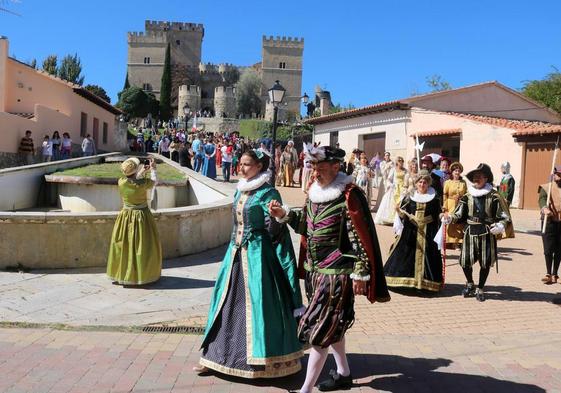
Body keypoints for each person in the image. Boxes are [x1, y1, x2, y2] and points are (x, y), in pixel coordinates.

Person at [269, 145, 390, 393]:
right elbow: (307, 225)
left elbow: (359, 236)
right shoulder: (314, 192)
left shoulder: (349, 195)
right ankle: (344, 373)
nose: (314, 172)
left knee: (320, 331)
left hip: (337, 275)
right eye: (313, 167)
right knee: (333, 325)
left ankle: (305, 390)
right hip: (315, 273)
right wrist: (284, 214)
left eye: (320, 167)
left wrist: (360, 271)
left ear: (337, 167)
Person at [195, 149, 304, 378]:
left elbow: (276, 224)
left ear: (259, 166)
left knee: (259, 306)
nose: (241, 168)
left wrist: (277, 214)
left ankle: (263, 361)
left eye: (246, 164)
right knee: (224, 304)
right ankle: (214, 358)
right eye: (240, 163)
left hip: (257, 257)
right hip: (234, 255)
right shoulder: (240, 189)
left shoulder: (267, 192)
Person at [443, 163, 511, 302]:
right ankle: (470, 283)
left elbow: (505, 216)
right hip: (470, 231)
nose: (476, 179)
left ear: (486, 178)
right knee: (464, 261)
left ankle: (480, 287)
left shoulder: (494, 196)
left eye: (479, 176)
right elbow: (459, 214)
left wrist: (500, 225)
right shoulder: (467, 196)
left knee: (485, 262)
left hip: (487, 232)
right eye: (474, 176)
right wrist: (450, 217)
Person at [384, 170, 444, 291]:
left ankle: (426, 284)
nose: (422, 184)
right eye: (420, 182)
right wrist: (399, 212)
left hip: (428, 232)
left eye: (425, 182)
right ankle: (405, 282)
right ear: (416, 183)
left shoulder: (435, 198)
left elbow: (438, 213)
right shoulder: (409, 197)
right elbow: (402, 215)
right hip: (410, 231)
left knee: (429, 257)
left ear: (428, 184)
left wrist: (443, 216)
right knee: (405, 255)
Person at [106, 157, 162, 285]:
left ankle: (122, 274)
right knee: (142, 246)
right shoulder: (143, 183)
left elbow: (133, 180)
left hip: (125, 216)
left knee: (123, 245)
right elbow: (154, 181)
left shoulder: (121, 182)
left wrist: (141, 171)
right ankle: (142, 274)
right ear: (135, 171)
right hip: (142, 216)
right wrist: (153, 169)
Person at [538, 165, 561, 284]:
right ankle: (548, 273)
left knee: (559, 250)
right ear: (554, 174)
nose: (560, 177)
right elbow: (542, 200)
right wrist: (544, 208)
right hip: (549, 222)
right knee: (548, 249)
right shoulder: (546, 188)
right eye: (558, 174)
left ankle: (555, 274)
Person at [442, 162, 468, 249]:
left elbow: (466, 194)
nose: (457, 172)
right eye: (455, 171)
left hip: (460, 204)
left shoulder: (463, 182)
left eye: (458, 171)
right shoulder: (447, 182)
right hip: (450, 204)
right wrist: (445, 207)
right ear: (452, 172)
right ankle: (450, 242)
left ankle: (457, 242)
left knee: (459, 223)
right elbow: (445, 195)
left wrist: (462, 199)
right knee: (450, 221)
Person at [374, 156, 406, 225]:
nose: (401, 163)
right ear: (397, 162)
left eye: (402, 161)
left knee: (401, 203)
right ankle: (391, 219)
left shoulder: (405, 170)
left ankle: (399, 219)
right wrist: (391, 185)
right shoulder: (393, 169)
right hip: (394, 188)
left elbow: (406, 178)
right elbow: (389, 179)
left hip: (402, 188)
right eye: (400, 161)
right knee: (392, 203)